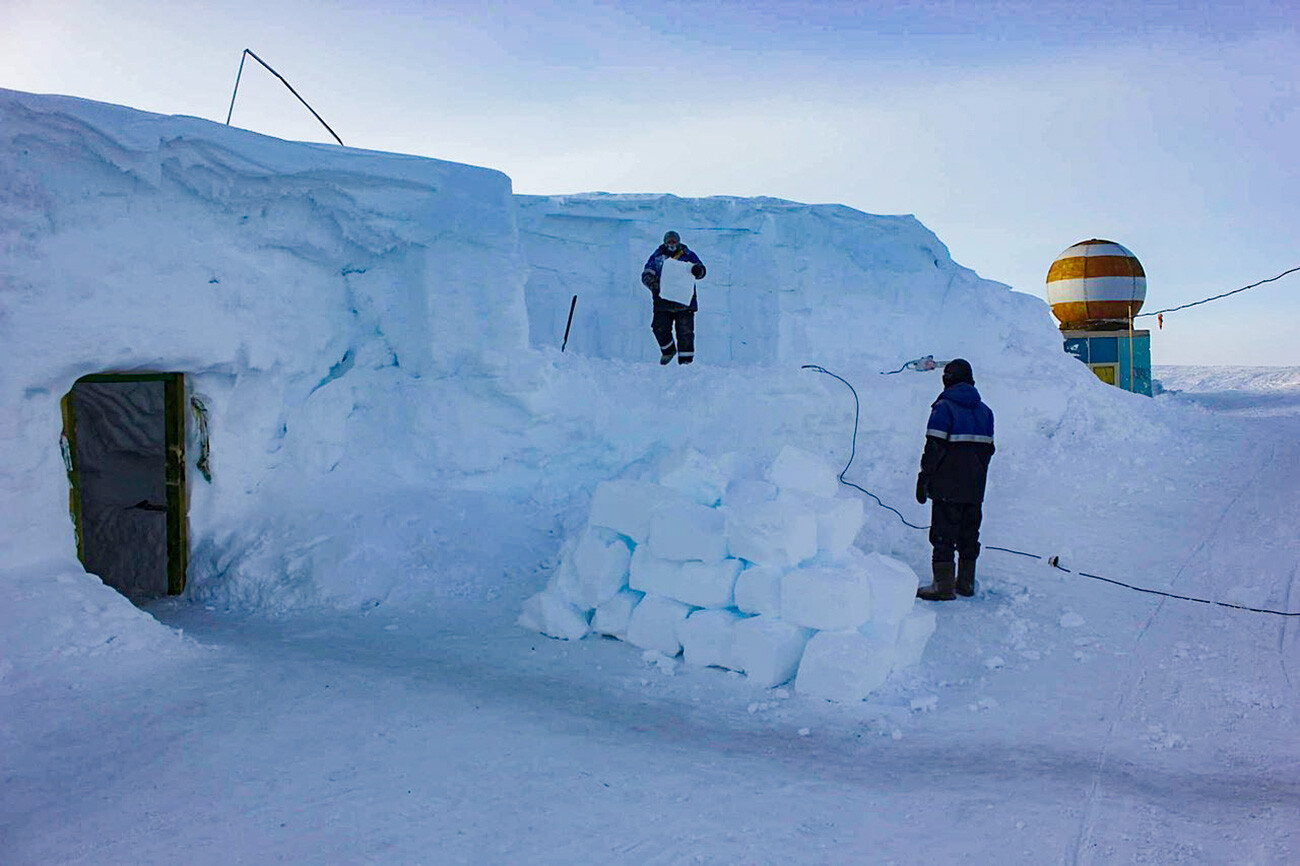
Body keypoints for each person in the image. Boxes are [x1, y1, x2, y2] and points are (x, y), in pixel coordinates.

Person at [914, 358, 995, 600]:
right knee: (970, 533)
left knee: (943, 533)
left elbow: (934, 447)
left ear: (946, 379)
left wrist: (924, 476)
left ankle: (943, 586)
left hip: (946, 485)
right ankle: (966, 583)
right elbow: (988, 451)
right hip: (975, 486)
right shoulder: (986, 412)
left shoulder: (943, 407)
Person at [641, 230, 706, 365]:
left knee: (685, 333)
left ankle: (686, 363)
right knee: (659, 327)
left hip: (685, 302)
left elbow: (701, 270)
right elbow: (646, 274)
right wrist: (652, 283)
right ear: (664, 242)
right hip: (662, 302)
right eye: (669, 241)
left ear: (679, 241)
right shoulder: (657, 256)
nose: (671, 243)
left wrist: (697, 270)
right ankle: (668, 351)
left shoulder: (688, 255)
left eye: (674, 241)